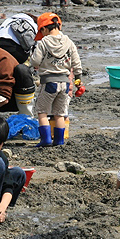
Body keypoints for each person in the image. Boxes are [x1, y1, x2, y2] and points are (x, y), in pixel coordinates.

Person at [28, 12, 82, 147]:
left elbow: (35, 61)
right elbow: (76, 62)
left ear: (44, 29)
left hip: (49, 82)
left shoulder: (43, 42)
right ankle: (59, 141)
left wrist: (34, 64)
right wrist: (78, 79)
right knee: (60, 114)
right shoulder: (69, 42)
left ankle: (45, 140)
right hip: (65, 83)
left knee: (42, 112)